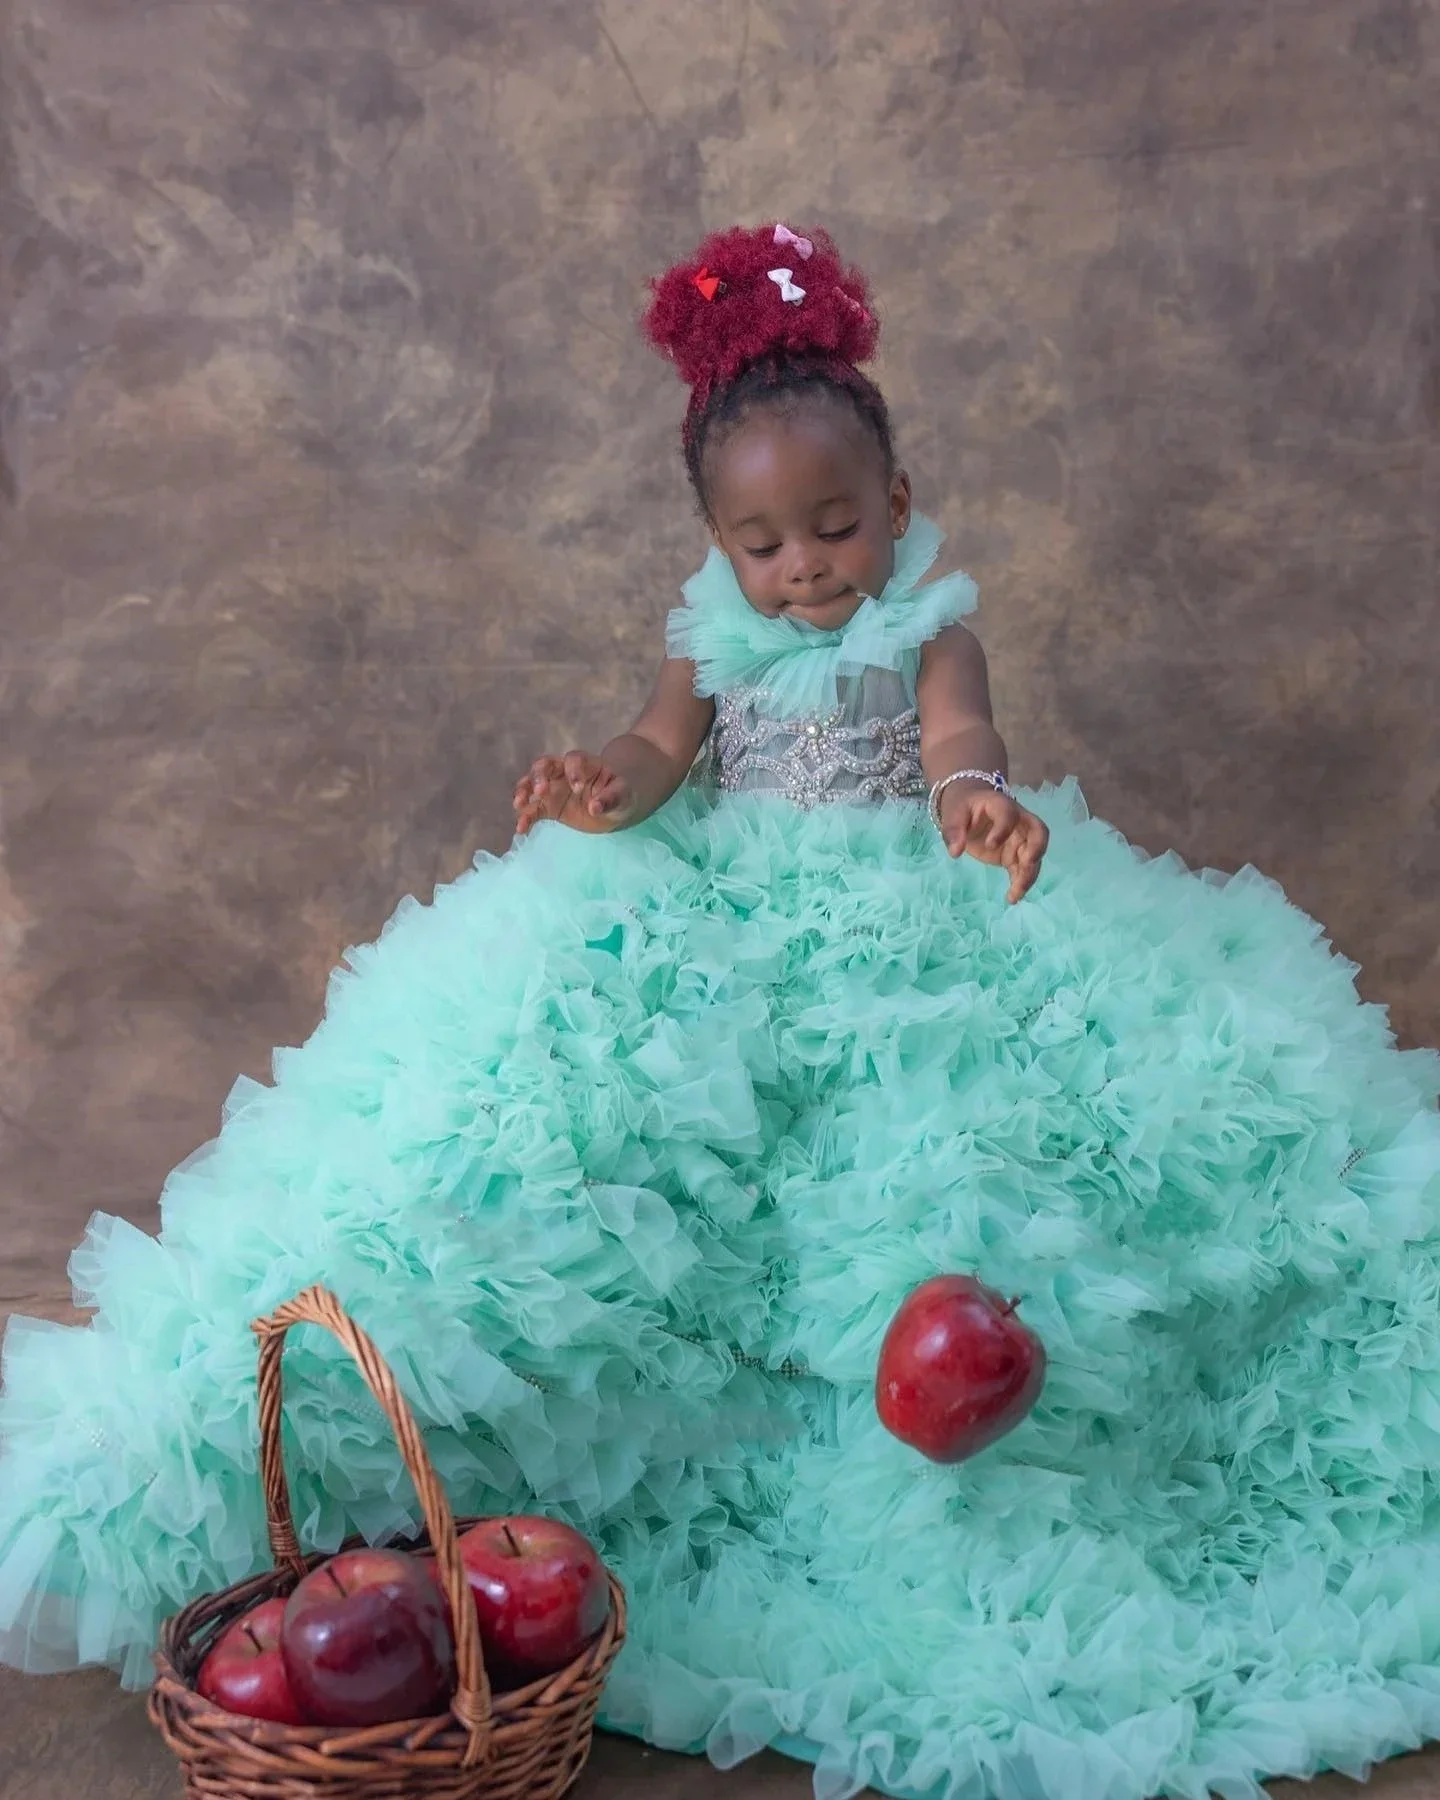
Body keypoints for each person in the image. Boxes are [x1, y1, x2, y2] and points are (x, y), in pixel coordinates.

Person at [3, 221, 1439, 1800]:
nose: (806, 568)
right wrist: (596, 785)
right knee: (578, 1135)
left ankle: (948, 1421)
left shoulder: (926, 629)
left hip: (909, 938)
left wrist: (975, 806)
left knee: (955, 1172)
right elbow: (657, 755)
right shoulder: (712, 642)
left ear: (894, 507)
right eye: (765, 544)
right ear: (716, 546)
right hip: (725, 927)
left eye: (834, 527)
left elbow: (963, 740)